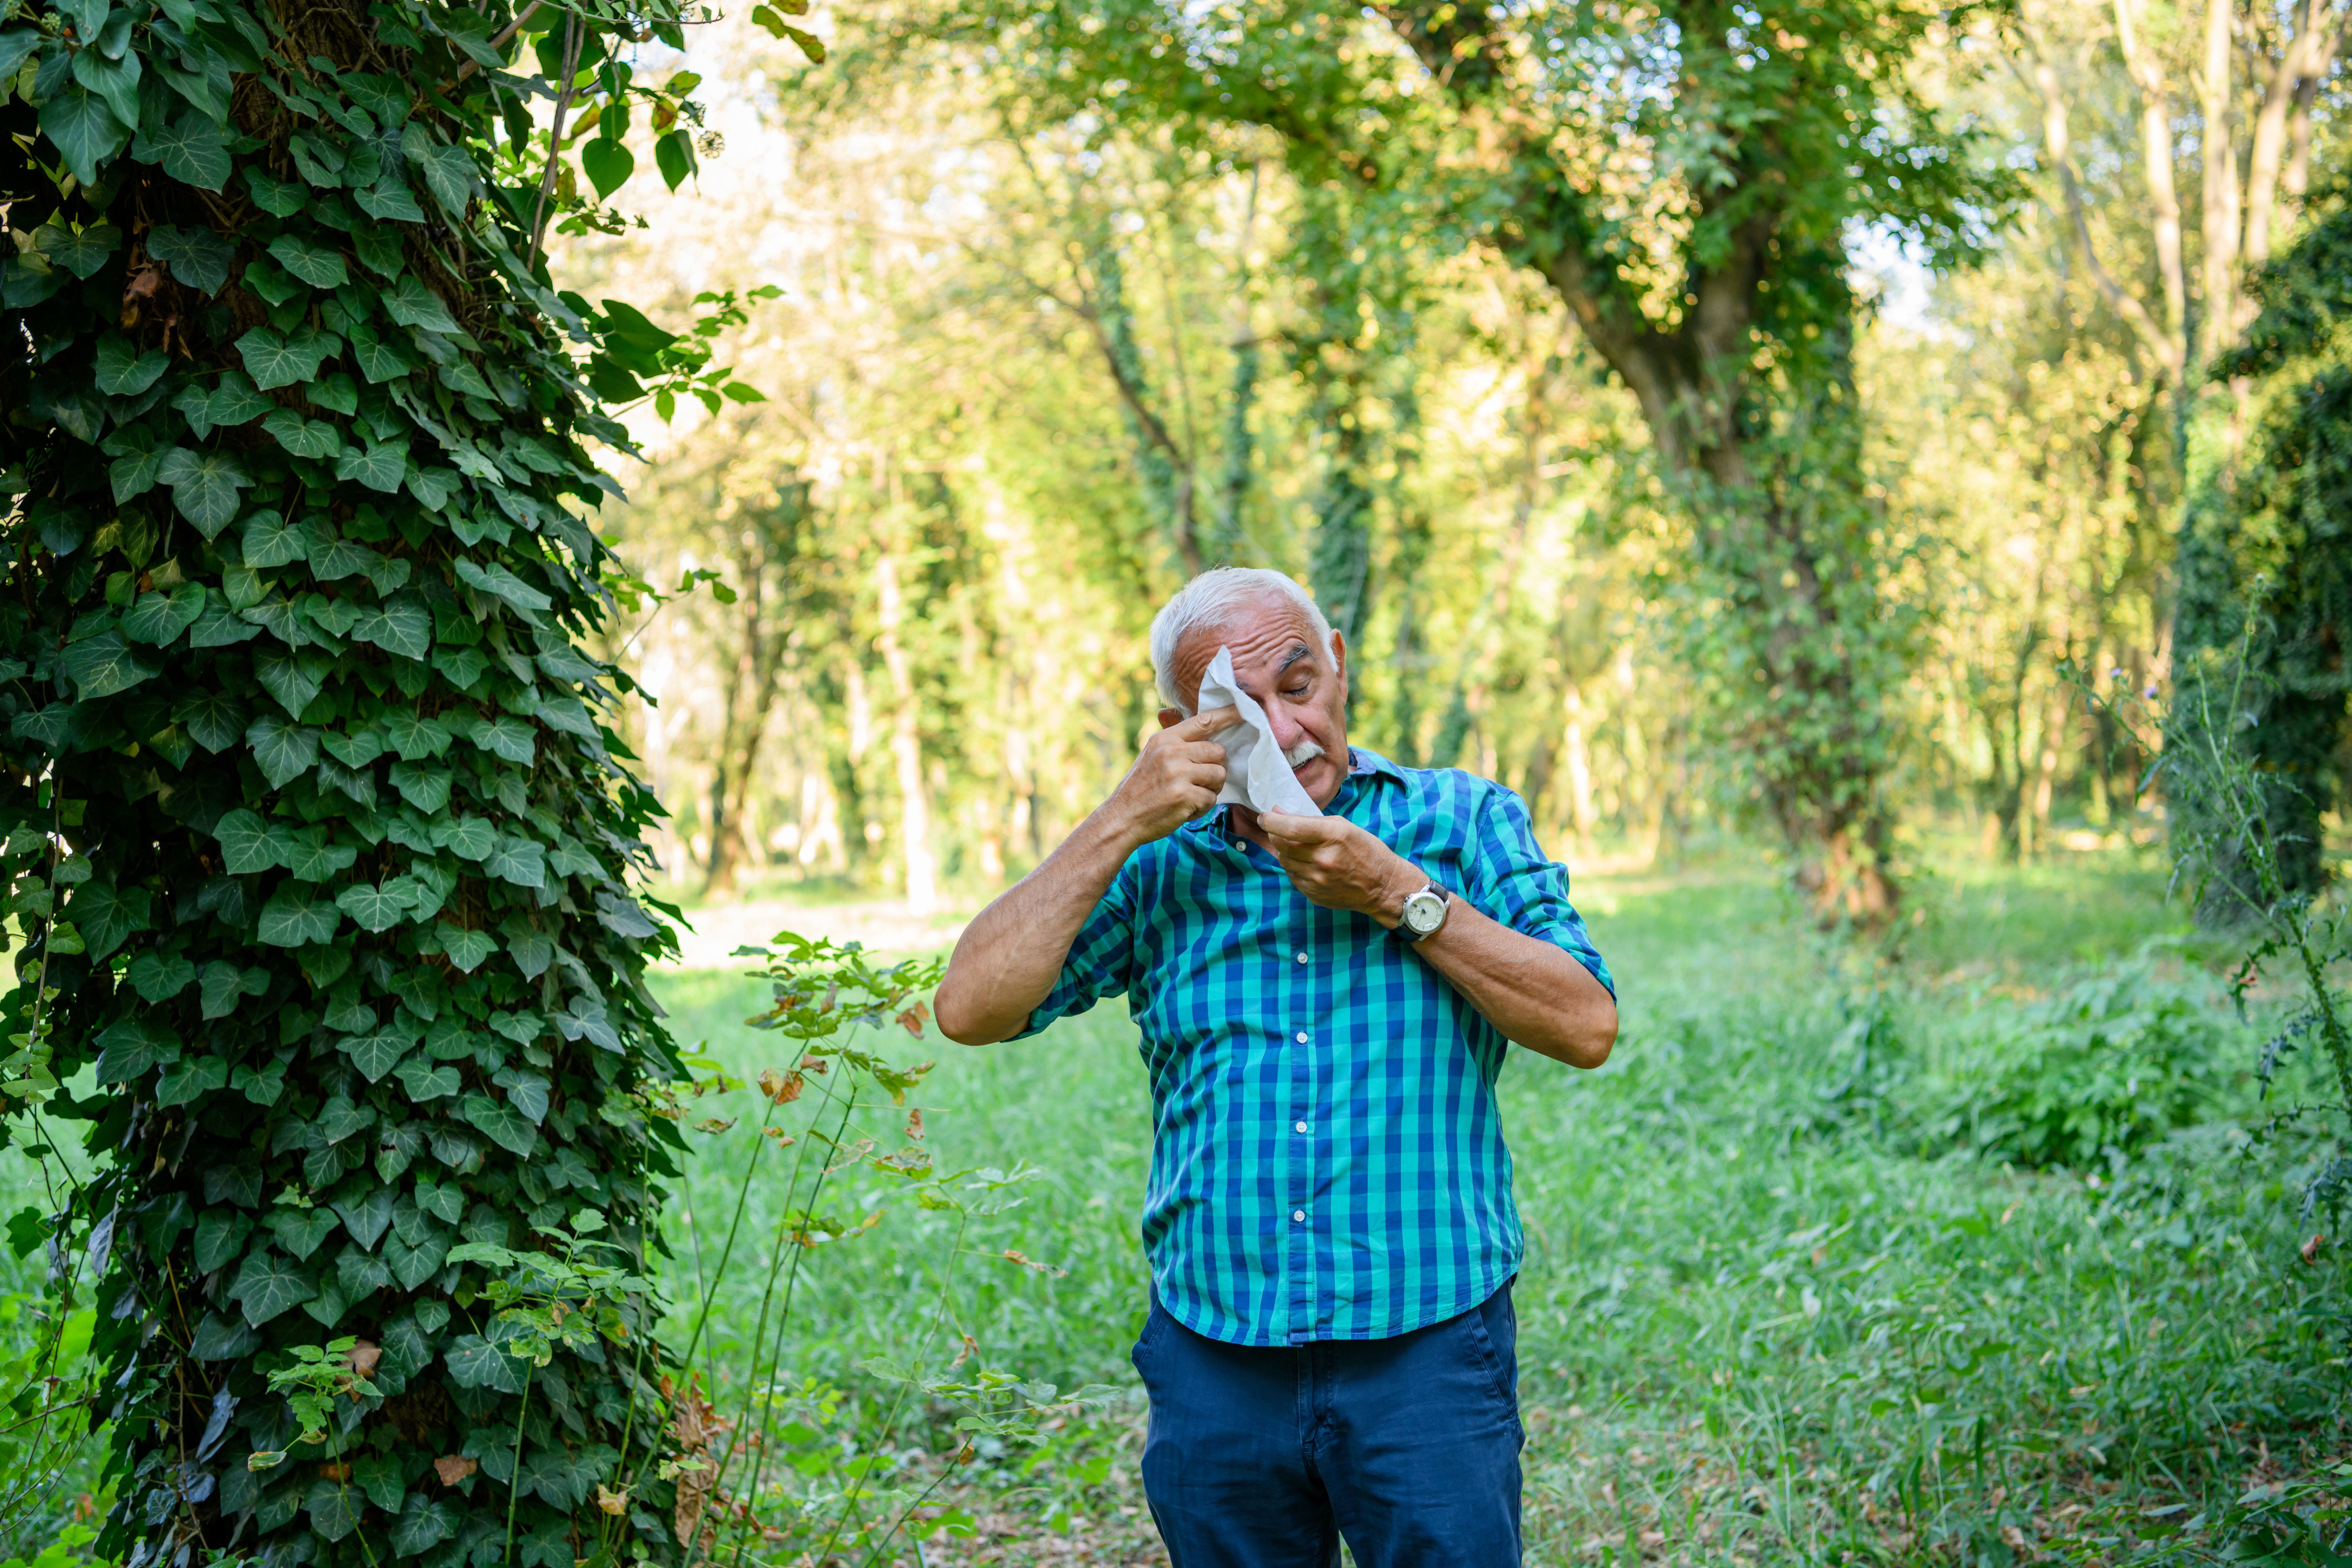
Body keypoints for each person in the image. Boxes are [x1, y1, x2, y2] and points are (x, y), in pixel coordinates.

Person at [933, 567, 1618, 1567]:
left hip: (1427, 1351)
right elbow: (969, 1008)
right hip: (1216, 1355)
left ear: (1337, 664)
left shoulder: (1463, 823)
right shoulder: (1161, 864)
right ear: (1181, 725)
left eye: (1298, 688)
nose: (1287, 735)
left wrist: (1398, 893)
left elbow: (1585, 1023)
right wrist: (1122, 817)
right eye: (1237, 712)